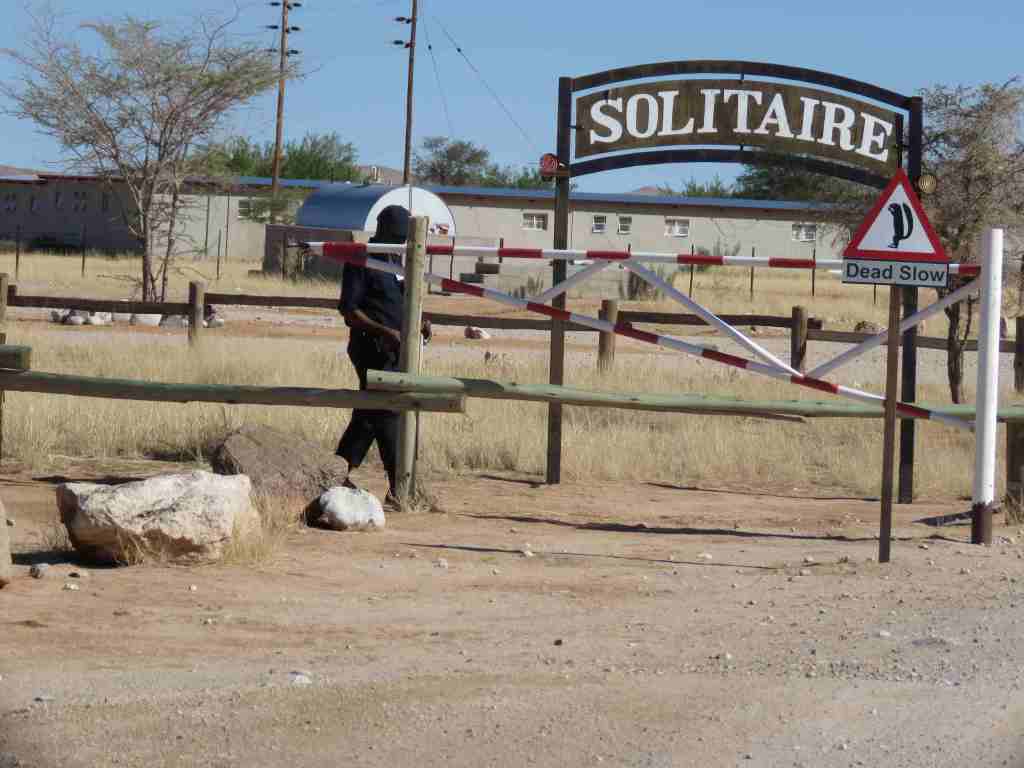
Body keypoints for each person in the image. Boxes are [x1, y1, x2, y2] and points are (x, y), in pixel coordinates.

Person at [336, 205, 430, 502]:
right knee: (388, 410)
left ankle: (335, 474)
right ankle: (400, 487)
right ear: (382, 229)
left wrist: (420, 322)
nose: (402, 241)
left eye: (404, 237)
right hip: (370, 348)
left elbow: (402, 302)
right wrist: (384, 332)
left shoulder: (398, 260)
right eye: (398, 235)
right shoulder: (360, 258)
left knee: (370, 413)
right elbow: (349, 311)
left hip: (397, 351)